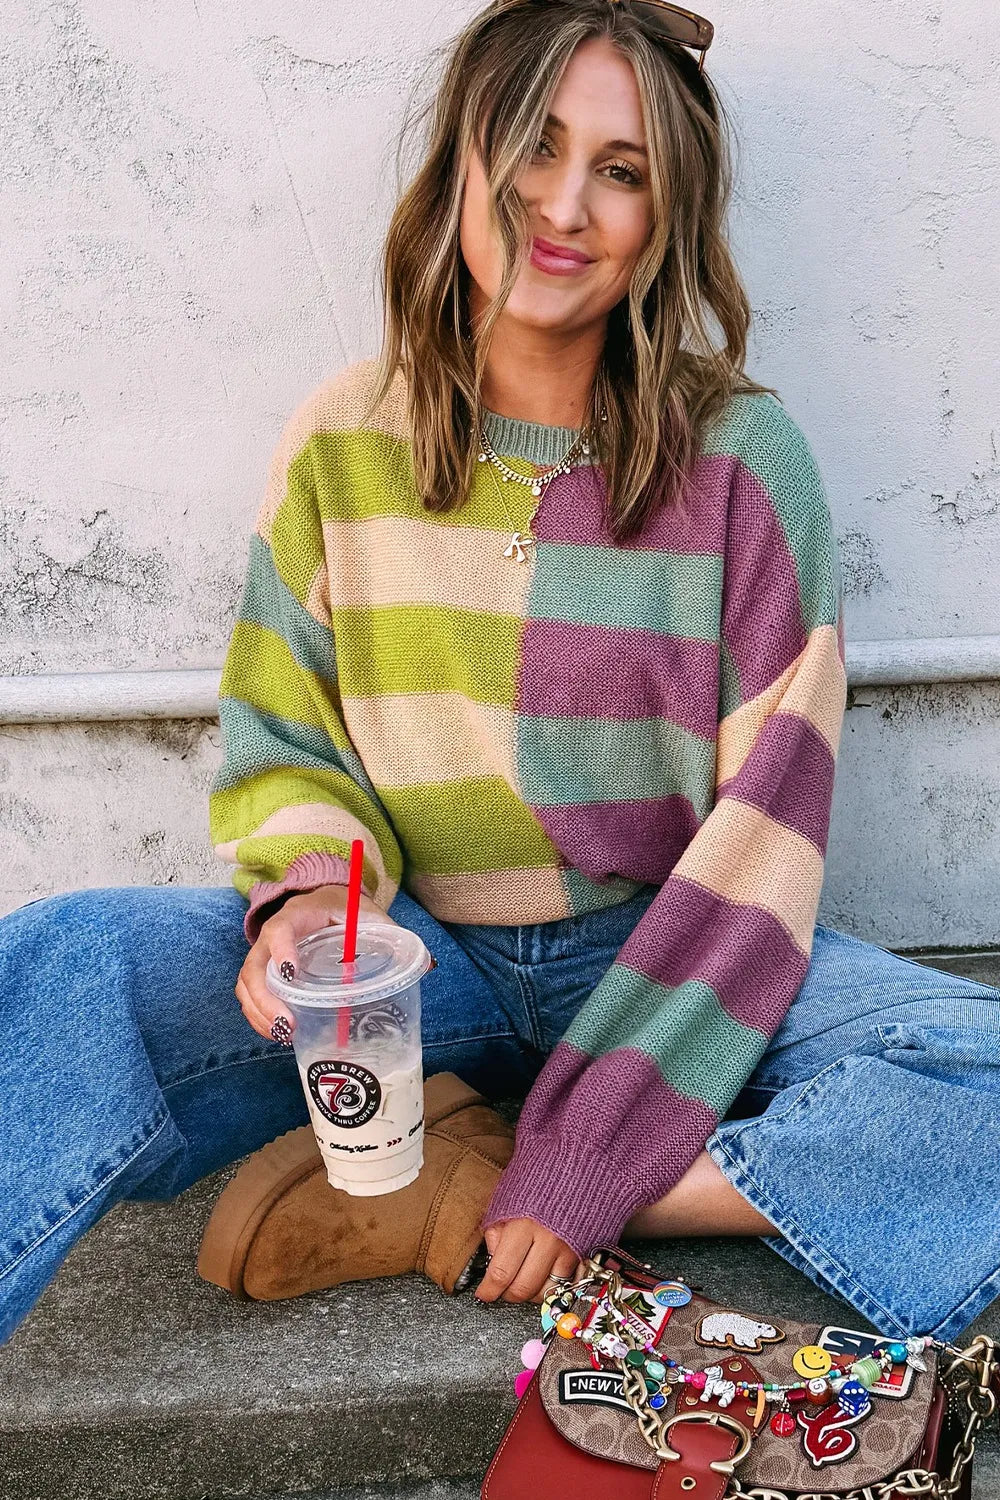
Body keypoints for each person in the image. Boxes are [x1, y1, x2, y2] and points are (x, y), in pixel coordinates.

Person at [2, 0, 999, 1353]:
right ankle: (465, 1132)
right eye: (532, 146)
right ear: (461, 164)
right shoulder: (344, 439)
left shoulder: (745, 465)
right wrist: (304, 906)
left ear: (665, 214)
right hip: (417, 966)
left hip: (669, 957)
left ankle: (483, 1188)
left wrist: (591, 1170)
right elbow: (281, 730)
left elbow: (765, 839)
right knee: (64, 963)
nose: (566, 203)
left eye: (621, 169)